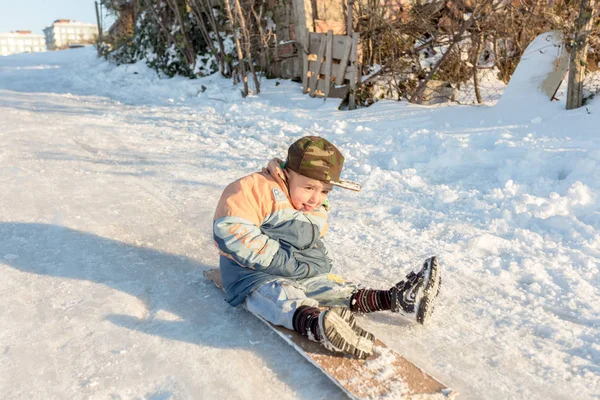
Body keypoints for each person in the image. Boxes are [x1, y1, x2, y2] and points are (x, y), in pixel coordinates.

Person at [213, 136, 441, 359]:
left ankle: (397, 299)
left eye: (325, 191)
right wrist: (286, 263)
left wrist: (314, 263)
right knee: (281, 297)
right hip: (253, 275)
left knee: (334, 287)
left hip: (299, 271)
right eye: (309, 187)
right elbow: (232, 230)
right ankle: (319, 326)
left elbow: (310, 239)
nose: (316, 198)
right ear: (286, 173)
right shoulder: (256, 188)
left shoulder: (312, 205)